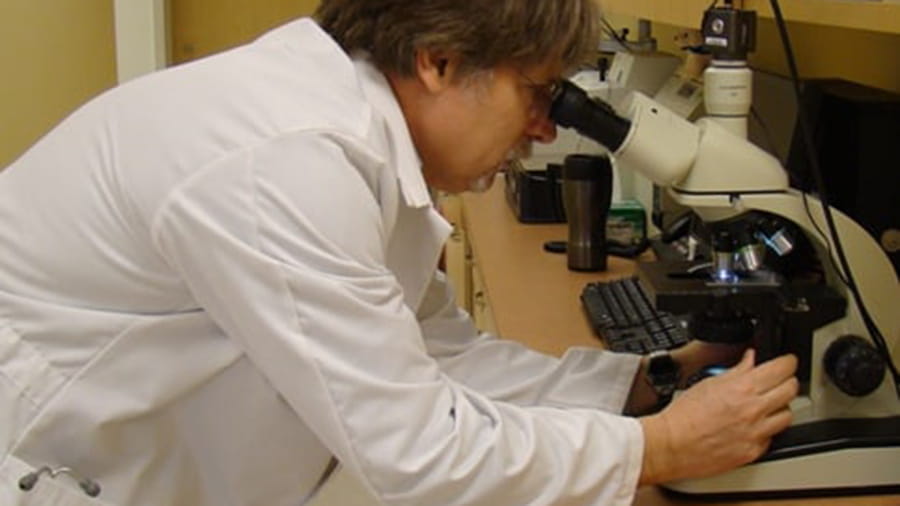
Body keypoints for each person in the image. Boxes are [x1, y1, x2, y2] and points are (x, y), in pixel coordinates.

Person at [0, 1, 798, 504]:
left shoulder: (361, 142)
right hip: (47, 457)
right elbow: (415, 453)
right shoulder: (289, 160)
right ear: (440, 60)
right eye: (537, 93)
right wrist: (658, 450)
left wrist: (650, 382)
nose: (547, 129)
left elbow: (439, 358)